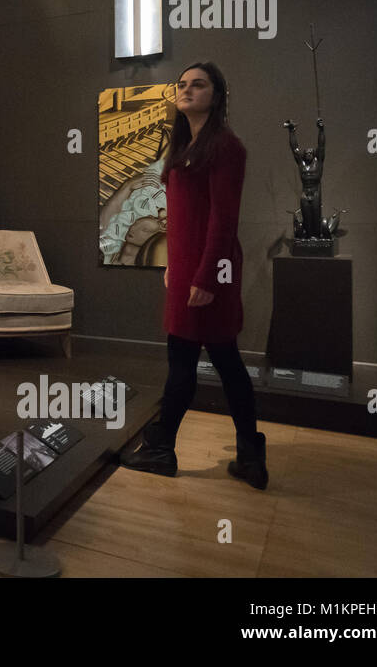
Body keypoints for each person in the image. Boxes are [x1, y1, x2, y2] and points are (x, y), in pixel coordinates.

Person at [120, 62, 268, 489]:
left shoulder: (225, 147)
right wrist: (173, 265)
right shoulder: (186, 146)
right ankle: (247, 456)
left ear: (216, 95)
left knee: (187, 361)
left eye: (197, 84)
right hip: (189, 273)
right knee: (222, 360)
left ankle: (162, 448)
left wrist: (205, 278)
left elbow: (223, 220)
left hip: (209, 275)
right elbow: (185, 220)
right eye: (182, 84)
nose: (186, 89)